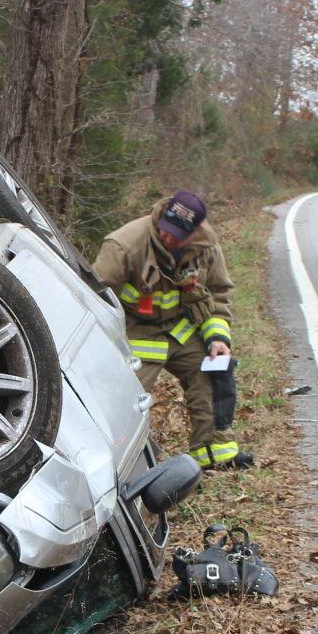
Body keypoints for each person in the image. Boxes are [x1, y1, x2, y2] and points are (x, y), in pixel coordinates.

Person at [92, 191, 251, 470]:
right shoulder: (124, 245)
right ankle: (123, 466)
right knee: (125, 402)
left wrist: (217, 338)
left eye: (178, 235)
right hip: (135, 332)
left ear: (195, 231)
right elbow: (95, 299)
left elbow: (218, 293)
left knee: (214, 371)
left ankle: (214, 454)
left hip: (181, 328)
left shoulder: (206, 248)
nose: (168, 238)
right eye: (167, 230)